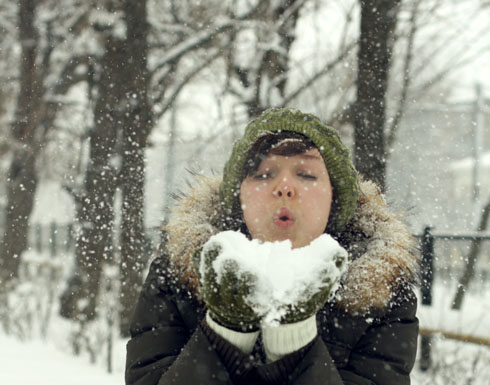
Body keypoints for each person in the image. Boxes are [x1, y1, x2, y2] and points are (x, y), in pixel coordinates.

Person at [125, 108, 419, 385]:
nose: (284, 187)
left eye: (306, 174)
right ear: (238, 198)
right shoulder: (176, 278)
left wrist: (294, 339)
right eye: (264, 174)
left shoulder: (382, 292)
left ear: (335, 200)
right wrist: (227, 331)